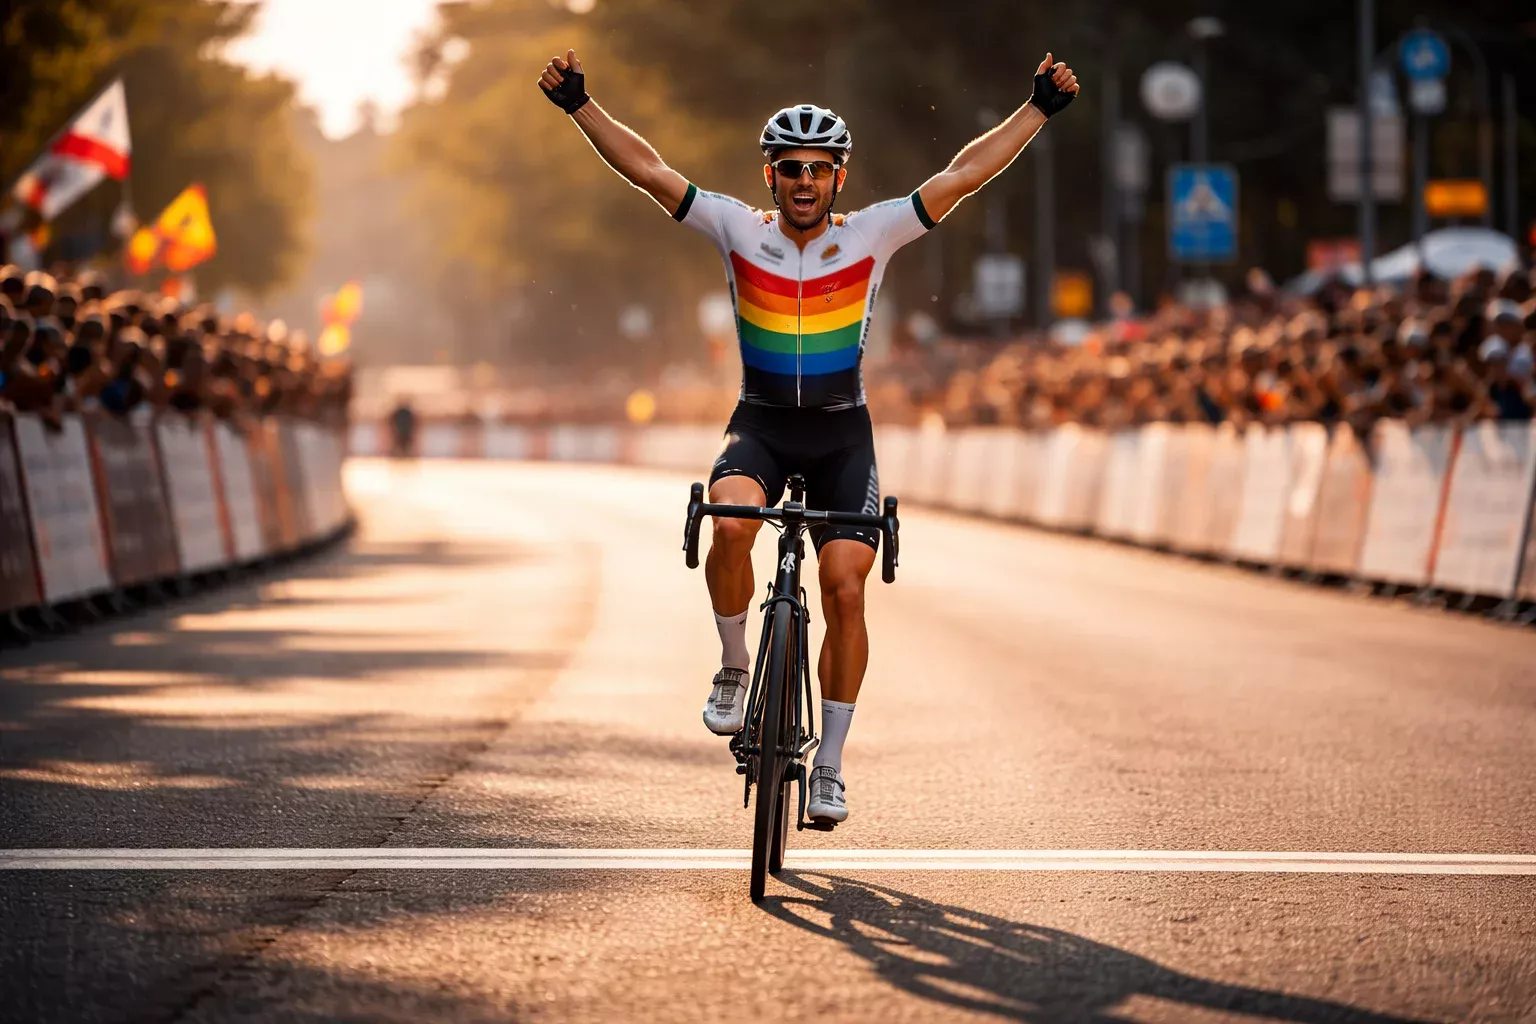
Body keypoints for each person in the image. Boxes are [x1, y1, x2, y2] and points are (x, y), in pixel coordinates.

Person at [540, 48, 1078, 823]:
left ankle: (828, 762)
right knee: (728, 520)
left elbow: (961, 176)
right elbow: (651, 170)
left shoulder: (872, 234)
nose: (803, 180)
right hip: (759, 422)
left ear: (839, 178)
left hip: (840, 435)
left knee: (846, 587)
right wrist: (580, 106)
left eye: (818, 169)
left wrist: (1036, 111)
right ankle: (733, 665)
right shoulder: (733, 227)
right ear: (769, 176)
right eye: (789, 166)